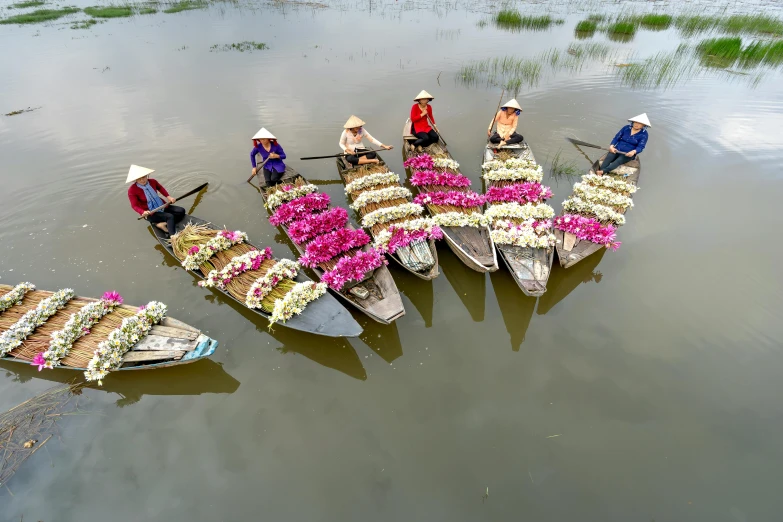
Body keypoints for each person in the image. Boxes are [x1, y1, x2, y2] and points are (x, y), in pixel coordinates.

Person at [127, 165, 185, 237]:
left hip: (161, 206)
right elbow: (134, 205)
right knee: (170, 216)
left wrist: (168, 197)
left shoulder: (152, 182)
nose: (142, 180)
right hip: (150, 213)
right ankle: (173, 237)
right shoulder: (132, 190)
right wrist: (143, 212)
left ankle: (162, 224)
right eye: (139, 179)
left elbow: (160, 188)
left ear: (147, 175)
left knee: (181, 211)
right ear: (135, 180)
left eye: (144, 177)